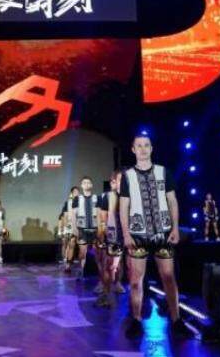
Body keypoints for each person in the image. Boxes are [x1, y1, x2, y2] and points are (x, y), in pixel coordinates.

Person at [119, 132, 194, 338]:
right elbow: (123, 207)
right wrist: (126, 234)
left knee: (168, 277)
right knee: (136, 281)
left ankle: (176, 319)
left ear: (151, 148)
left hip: (163, 232)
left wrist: (175, 228)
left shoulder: (163, 172)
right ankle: (136, 320)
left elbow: (172, 201)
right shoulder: (128, 176)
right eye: (139, 145)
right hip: (138, 234)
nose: (143, 149)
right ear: (133, 150)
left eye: (146, 145)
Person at [97, 170, 126, 308]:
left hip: (129, 236)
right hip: (113, 236)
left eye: (122, 180)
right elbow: (103, 219)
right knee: (109, 265)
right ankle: (106, 294)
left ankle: (118, 283)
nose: (119, 183)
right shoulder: (107, 197)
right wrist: (102, 234)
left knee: (123, 265)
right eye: (117, 180)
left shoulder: (130, 197)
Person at [70, 177, 102, 283]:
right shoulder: (77, 199)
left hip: (94, 229)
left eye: (88, 182)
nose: (86, 184)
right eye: (84, 183)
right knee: (82, 253)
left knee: (97, 253)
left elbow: (99, 214)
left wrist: (100, 229)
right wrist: (74, 228)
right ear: (81, 185)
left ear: (91, 185)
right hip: (82, 229)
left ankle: (100, 274)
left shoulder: (97, 198)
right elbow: (73, 215)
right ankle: (80, 271)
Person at [61, 187, 79, 273]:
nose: (76, 193)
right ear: (72, 193)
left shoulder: (81, 202)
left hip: (80, 226)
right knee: (71, 244)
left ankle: (81, 267)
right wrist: (66, 228)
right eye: (75, 192)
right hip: (70, 226)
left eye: (78, 192)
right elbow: (65, 216)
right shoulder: (68, 203)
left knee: (78, 246)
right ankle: (68, 265)